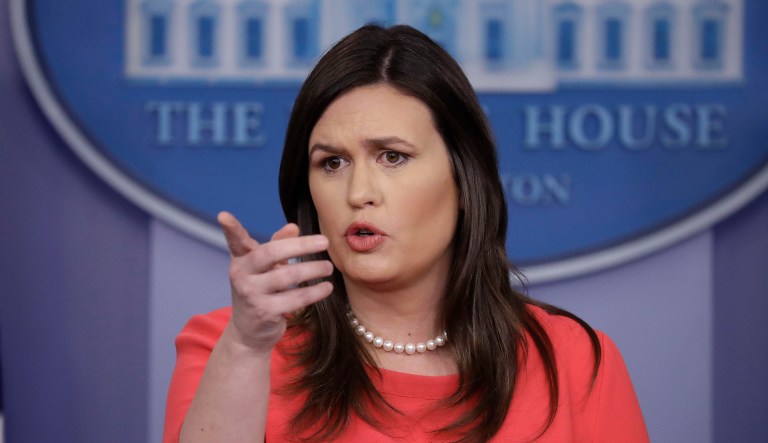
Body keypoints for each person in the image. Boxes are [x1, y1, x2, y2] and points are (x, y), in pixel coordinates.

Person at [163, 24, 649, 442]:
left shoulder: (574, 361)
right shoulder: (232, 346)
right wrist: (246, 349)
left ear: (464, 179)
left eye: (392, 157)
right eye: (332, 163)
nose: (358, 192)